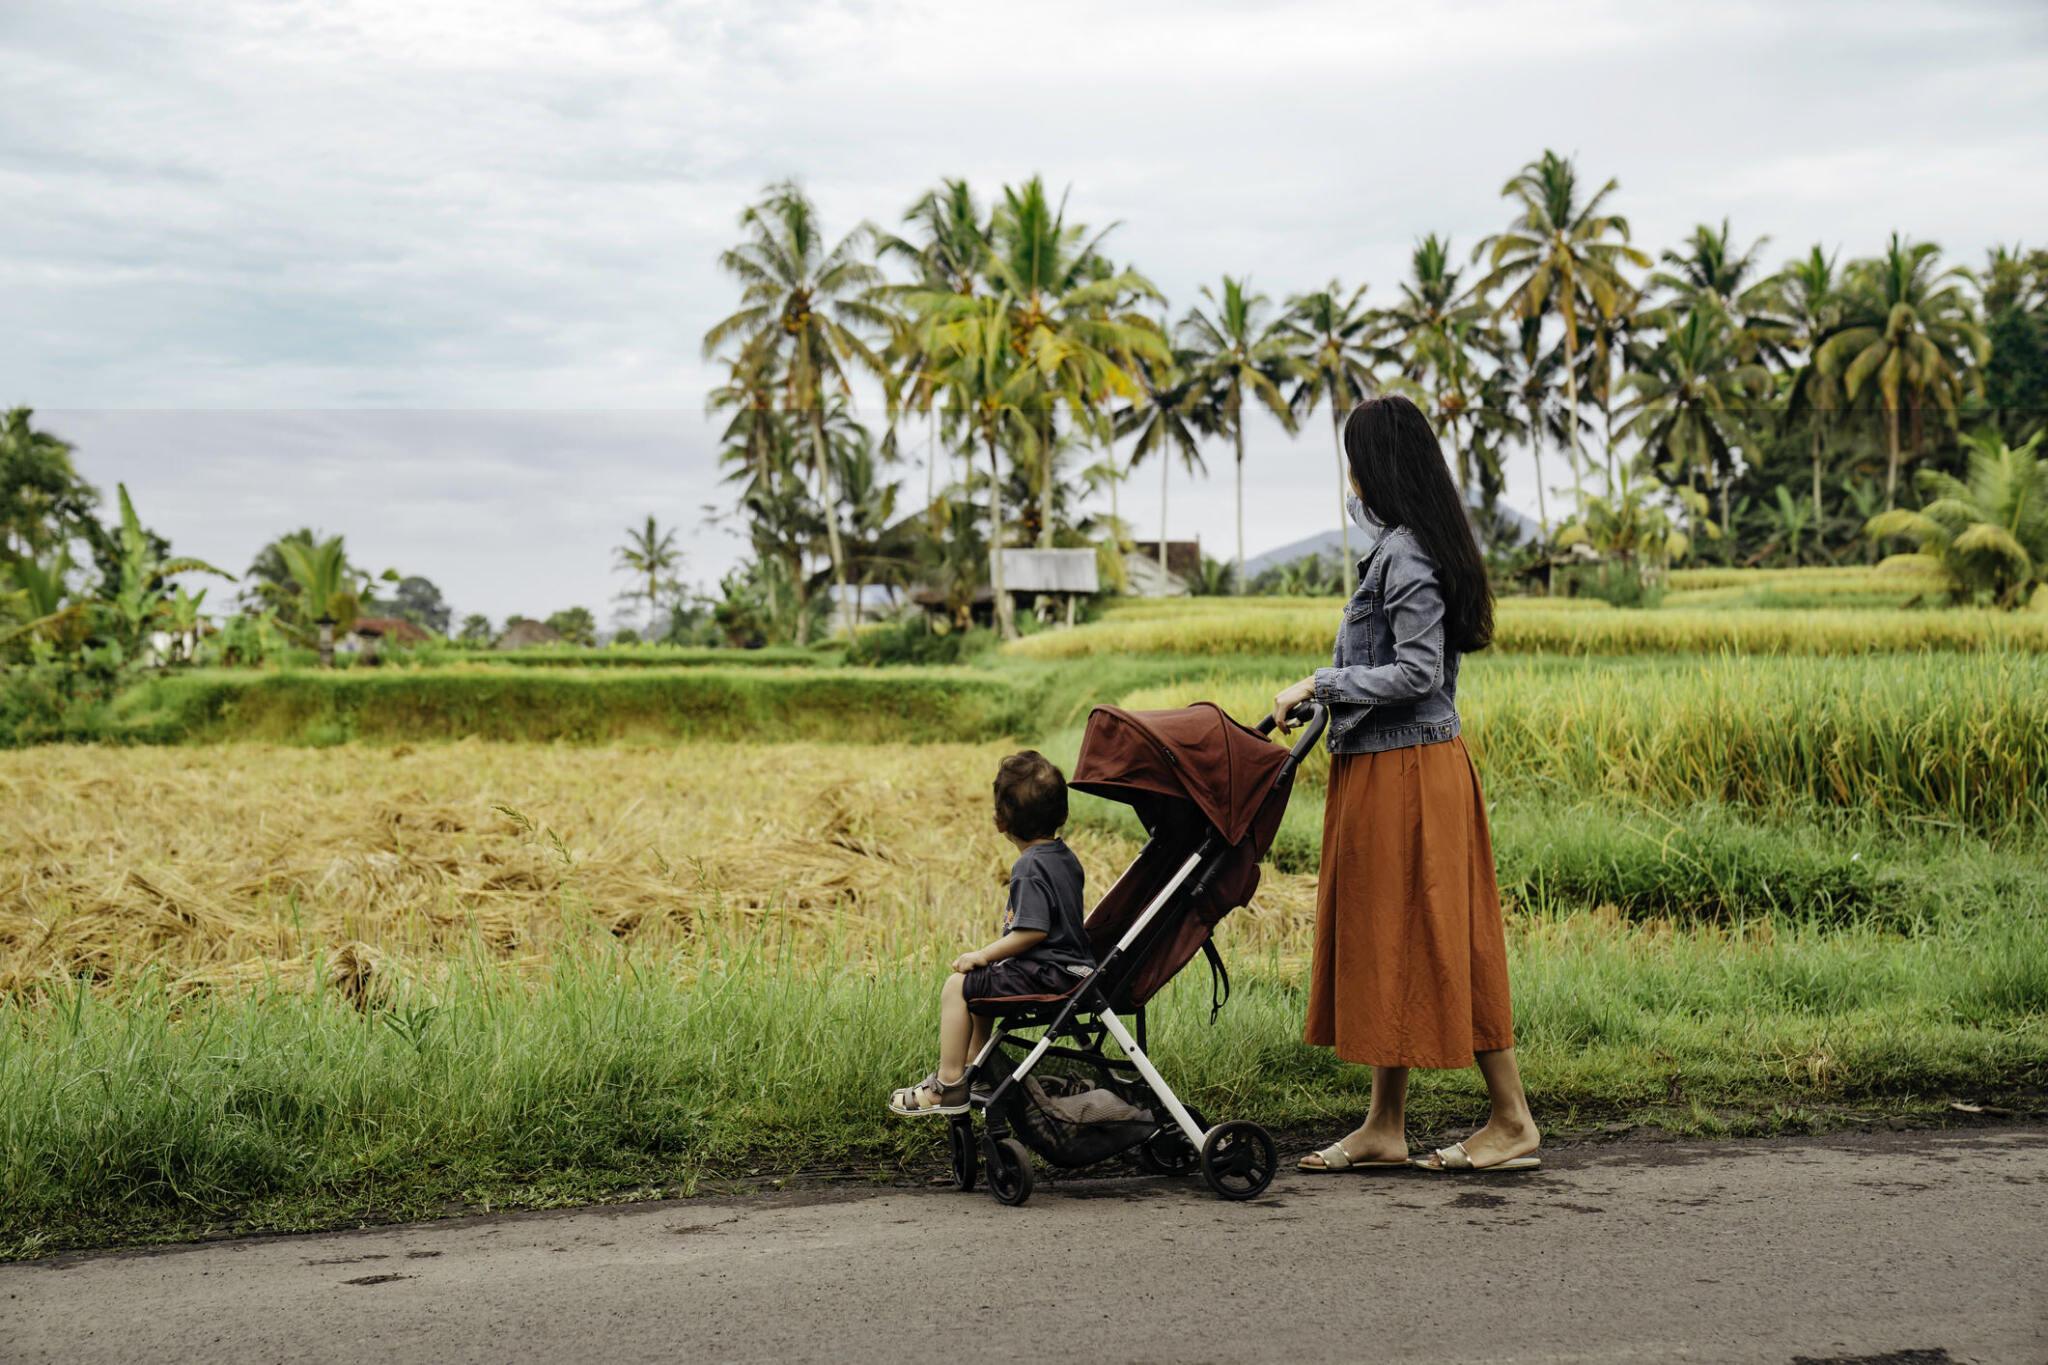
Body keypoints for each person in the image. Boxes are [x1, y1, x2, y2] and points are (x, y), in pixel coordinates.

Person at [1271, 394, 1541, 1174]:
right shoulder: (1400, 546)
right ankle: (1384, 1123)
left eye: (1353, 460)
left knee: (1442, 935)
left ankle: (1513, 1119)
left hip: (1411, 773)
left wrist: (1319, 682)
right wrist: (1326, 696)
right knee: (1395, 933)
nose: (1348, 477)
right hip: (1387, 766)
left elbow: (1419, 673)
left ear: (1378, 467)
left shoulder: (1407, 554)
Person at [888, 751, 1094, 1116]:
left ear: (1000, 821)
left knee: (958, 984)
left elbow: (1031, 931)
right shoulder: (1065, 857)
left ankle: (948, 1084)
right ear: (1062, 814)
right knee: (984, 980)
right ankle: (975, 1068)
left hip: (1050, 973)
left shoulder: (1029, 866)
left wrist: (983, 953)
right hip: (1072, 969)